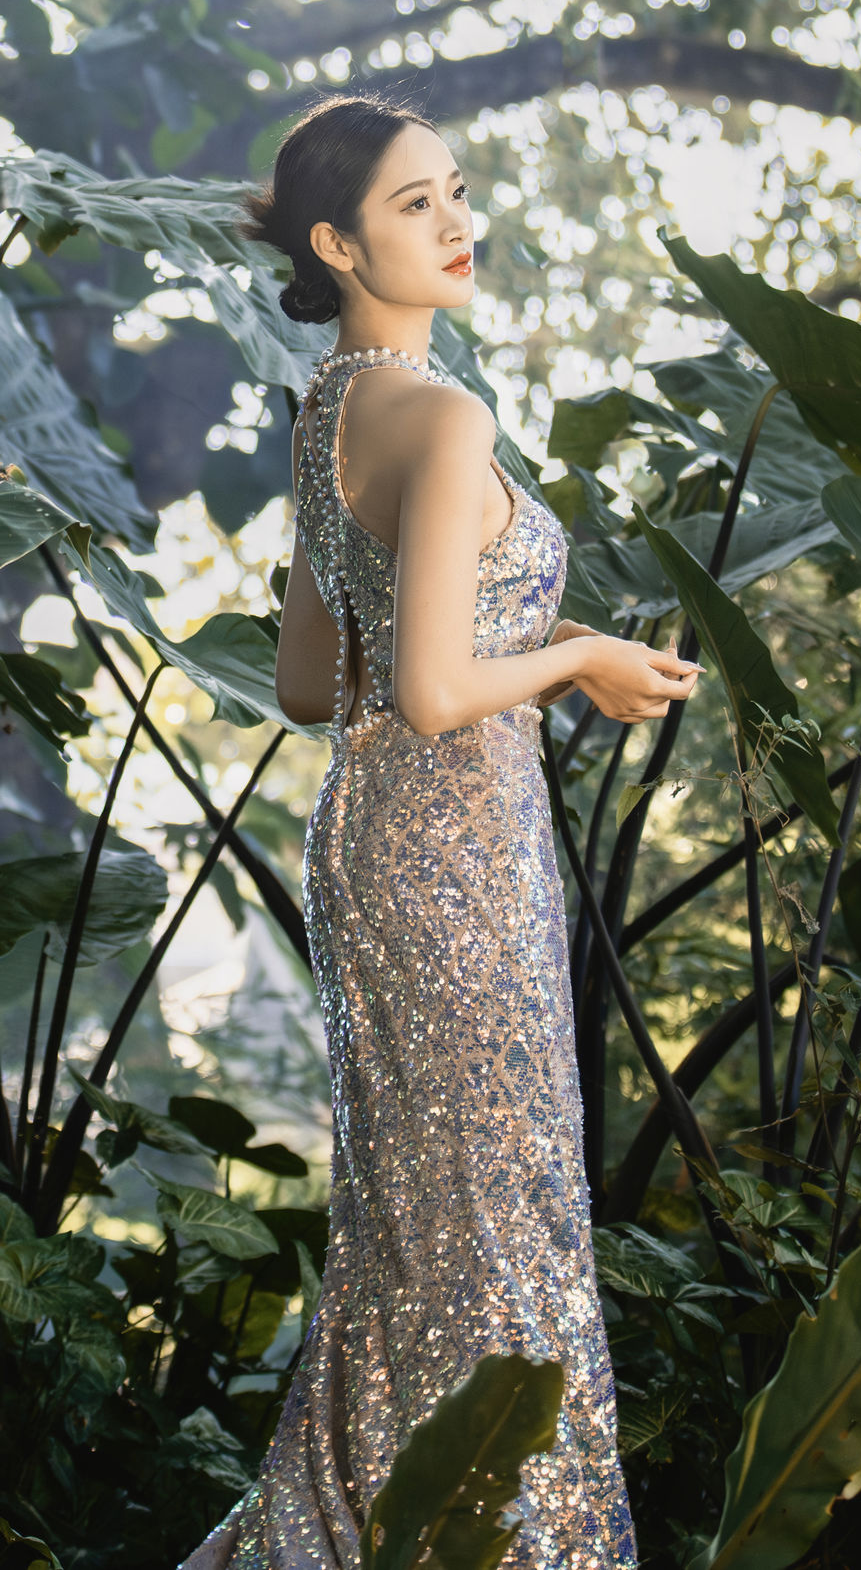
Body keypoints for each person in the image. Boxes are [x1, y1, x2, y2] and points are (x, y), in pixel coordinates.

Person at [183, 97, 694, 1570]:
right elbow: (428, 687)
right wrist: (578, 660)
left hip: (374, 847)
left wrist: (518, 639)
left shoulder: (330, 409)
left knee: (421, 1237)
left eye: (455, 192)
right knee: (485, 1232)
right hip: (454, 859)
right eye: (417, 205)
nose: (457, 222)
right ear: (338, 243)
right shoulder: (445, 416)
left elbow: (303, 681)